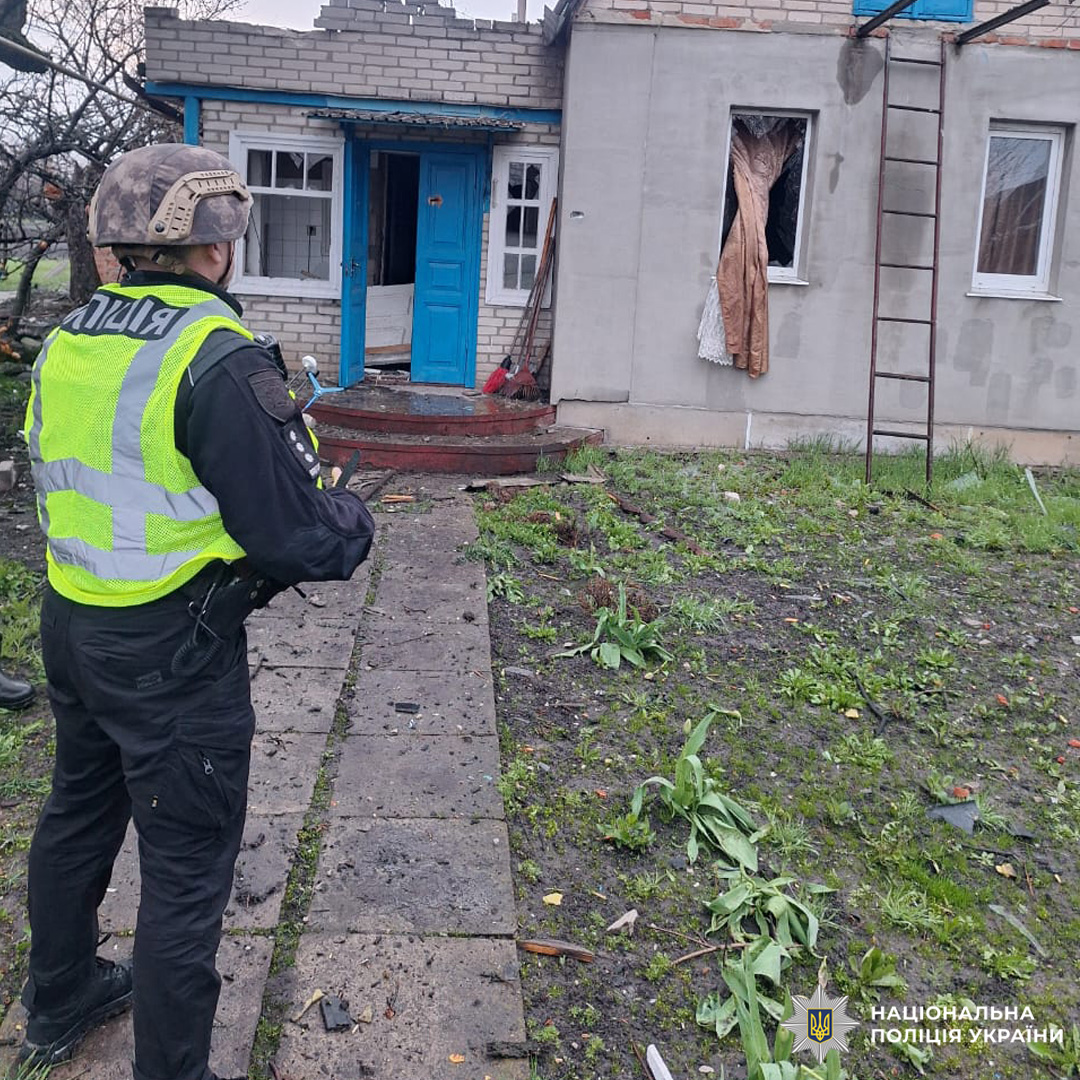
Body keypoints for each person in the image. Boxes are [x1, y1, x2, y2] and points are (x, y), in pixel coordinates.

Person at [19, 143, 375, 1080]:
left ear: (116, 247)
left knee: (77, 812)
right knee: (185, 868)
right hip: (170, 655)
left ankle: (57, 997)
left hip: (73, 623)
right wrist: (350, 514)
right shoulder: (213, 357)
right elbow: (298, 539)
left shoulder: (69, 340)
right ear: (216, 249)